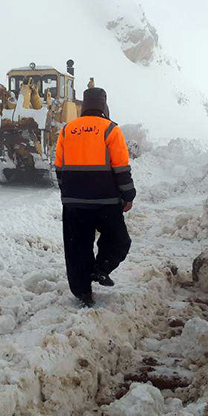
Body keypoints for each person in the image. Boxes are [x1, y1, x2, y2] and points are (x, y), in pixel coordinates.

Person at [54, 87, 136, 308]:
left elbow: (59, 168)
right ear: (104, 104)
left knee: (77, 248)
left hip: (74, 203)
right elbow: (121, 168)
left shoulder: (67, 130)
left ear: (83, 105)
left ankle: (82, 293)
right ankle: (100, 269)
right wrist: (128, 194)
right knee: (119, 241)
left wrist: (68, 193)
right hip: (106, 201)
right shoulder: (111, 129)